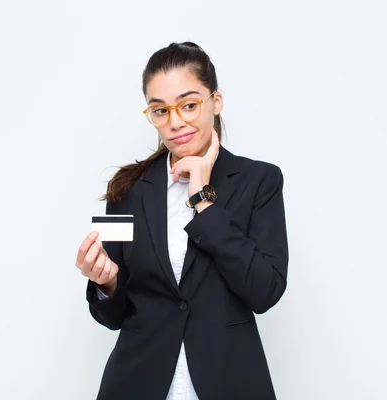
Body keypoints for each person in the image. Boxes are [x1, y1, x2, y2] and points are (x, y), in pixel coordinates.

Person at [76, 41, 289, 400]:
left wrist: (203, 199)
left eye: (189, 105)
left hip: (229, 379)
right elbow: (113, 316)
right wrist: (106, 284)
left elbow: (265, 291)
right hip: (138, 382)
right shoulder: (125, 188)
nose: (176, 122)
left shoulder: (260, 181)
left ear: (215, 102)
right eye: (160, 111)